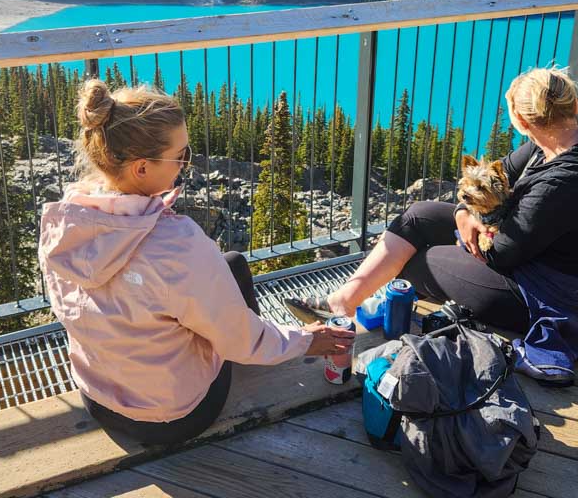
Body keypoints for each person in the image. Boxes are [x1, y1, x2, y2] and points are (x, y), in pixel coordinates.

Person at [39, 79, 354, 445]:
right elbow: (238, 340)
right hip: (172, 416)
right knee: (231, 273)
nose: (186, 166)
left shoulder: (67, 220)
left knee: (228, 264)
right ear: (141, 168)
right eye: (181, 156)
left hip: (98, 397)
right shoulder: (177, 245)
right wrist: (304, 341)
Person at [308, 66, 578, 385]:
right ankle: (345, 301)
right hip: (528, 258)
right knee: (418, 215)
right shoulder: (559, 140)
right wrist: (462, 216)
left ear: (522, 120)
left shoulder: (564, 181)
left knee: (419, 262)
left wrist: (467, 229)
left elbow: (501, 254)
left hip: (544, 298)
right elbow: (502, 176)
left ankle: (393, 311)